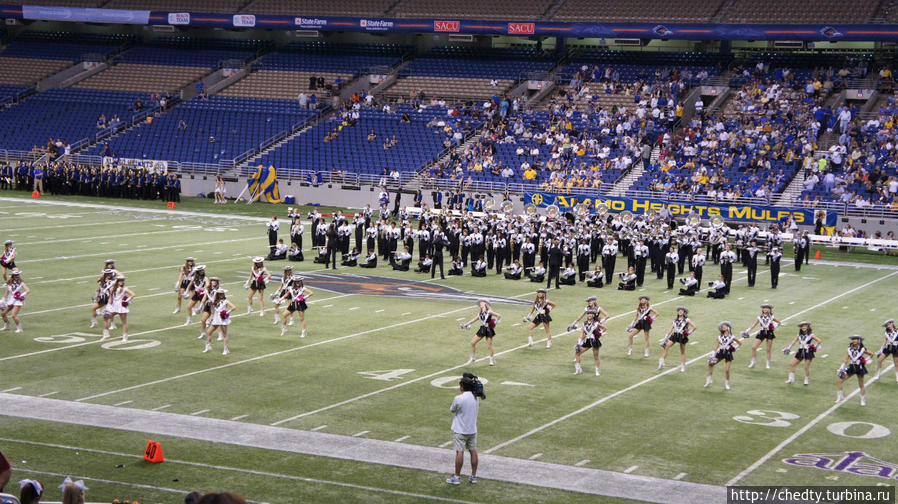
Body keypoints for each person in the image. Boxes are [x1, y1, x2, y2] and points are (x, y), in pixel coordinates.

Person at [446, 375, 480, 485]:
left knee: (459, 452)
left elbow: (452, 409)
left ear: (462, 387)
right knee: (473, 451)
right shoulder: (476, 398)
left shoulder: (459, 398)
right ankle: (474, 476)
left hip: (460, 430)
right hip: (472, 429)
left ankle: (456, 477)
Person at [461, 299, 501, 366]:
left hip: (488, 329)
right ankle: (472, 359)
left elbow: (499, 315)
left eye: (482, 303)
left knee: (489, 346)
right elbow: (474, 320)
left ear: (485, 304)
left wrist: (496, 322)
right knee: (473, 343)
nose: (480, 304)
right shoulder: (479, 314)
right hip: (482, 329)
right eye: (480, 303)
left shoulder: (489, 311)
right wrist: (466, 324)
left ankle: (491, 360)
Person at [837, 335, 874, 405]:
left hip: (859, 367)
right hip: (851, 367)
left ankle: (863, 400)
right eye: (853, 339)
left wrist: (866, 360)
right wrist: (842, 367)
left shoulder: (862, 349)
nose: (853, 340)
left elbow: (871, 354)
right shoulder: (849, 349)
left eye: (855, 339)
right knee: (840, 380)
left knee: (861, 385)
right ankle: (840, 397)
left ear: (859, 341)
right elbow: (846, 359)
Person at [705, 321, 742, 390]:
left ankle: (727, 384)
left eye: (725, 326)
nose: (723, 327)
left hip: (728, 354)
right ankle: (709, 380)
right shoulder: (719, 337)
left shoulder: (732, 337)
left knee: (727, 370)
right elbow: (716, 346)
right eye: (722, 326)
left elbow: (740, 343)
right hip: (721, 353)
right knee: (710, 364)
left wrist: (735, 348)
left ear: (728, 327)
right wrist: (713, 355)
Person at [744, 304, 782, 370]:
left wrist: (775, 327)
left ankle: (768, 364)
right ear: (762, 309)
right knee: (754, 347)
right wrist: (748, 330)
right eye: (764, 308)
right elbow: (754, 324)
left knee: (768, 349)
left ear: (769, 309)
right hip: (762, 332)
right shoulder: (760, 317)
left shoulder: (771, 317)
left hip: (769, 333)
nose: (765, 309)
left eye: (767, 308)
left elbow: (779, 322)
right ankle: (753, 362)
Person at [659, 307, 696, 371]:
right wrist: (666, 338)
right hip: (675, 335)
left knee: (682, 352)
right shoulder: (675, 320)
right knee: (666, 346)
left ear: (684, 312)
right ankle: (662, 361)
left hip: (682, 336)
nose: (680, 312)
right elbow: (671, 329)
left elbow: (694, 327)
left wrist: (688, 333)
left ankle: (683, 366)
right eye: (679, 311)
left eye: (682, 311)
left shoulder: (686, 320)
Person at [203, 289, 235, 355]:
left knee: (225, 334)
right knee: (209, 332)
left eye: (221, 294)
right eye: (219, 294)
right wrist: (210, 319)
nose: (220, 295)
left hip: (222, 319)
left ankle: (226, 349)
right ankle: (208, 346)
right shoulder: (215, 301)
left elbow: (233, 307)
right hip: (216, 318)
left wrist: (226, 313)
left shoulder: (226, 301)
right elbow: (212, 311)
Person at [102, 275, 133, 342]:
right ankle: (106, 334)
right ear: (117, 281)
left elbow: (133, 294)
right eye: (120, 281)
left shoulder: (124, 288)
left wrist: (126, 301)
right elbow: (110, 297)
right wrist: (108, 306)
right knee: (105, 317)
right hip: (114, 307)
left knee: (124, 322)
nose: (122, 282)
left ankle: (125, 337)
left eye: (123, 281)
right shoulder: (113, 288)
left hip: (121, 307)